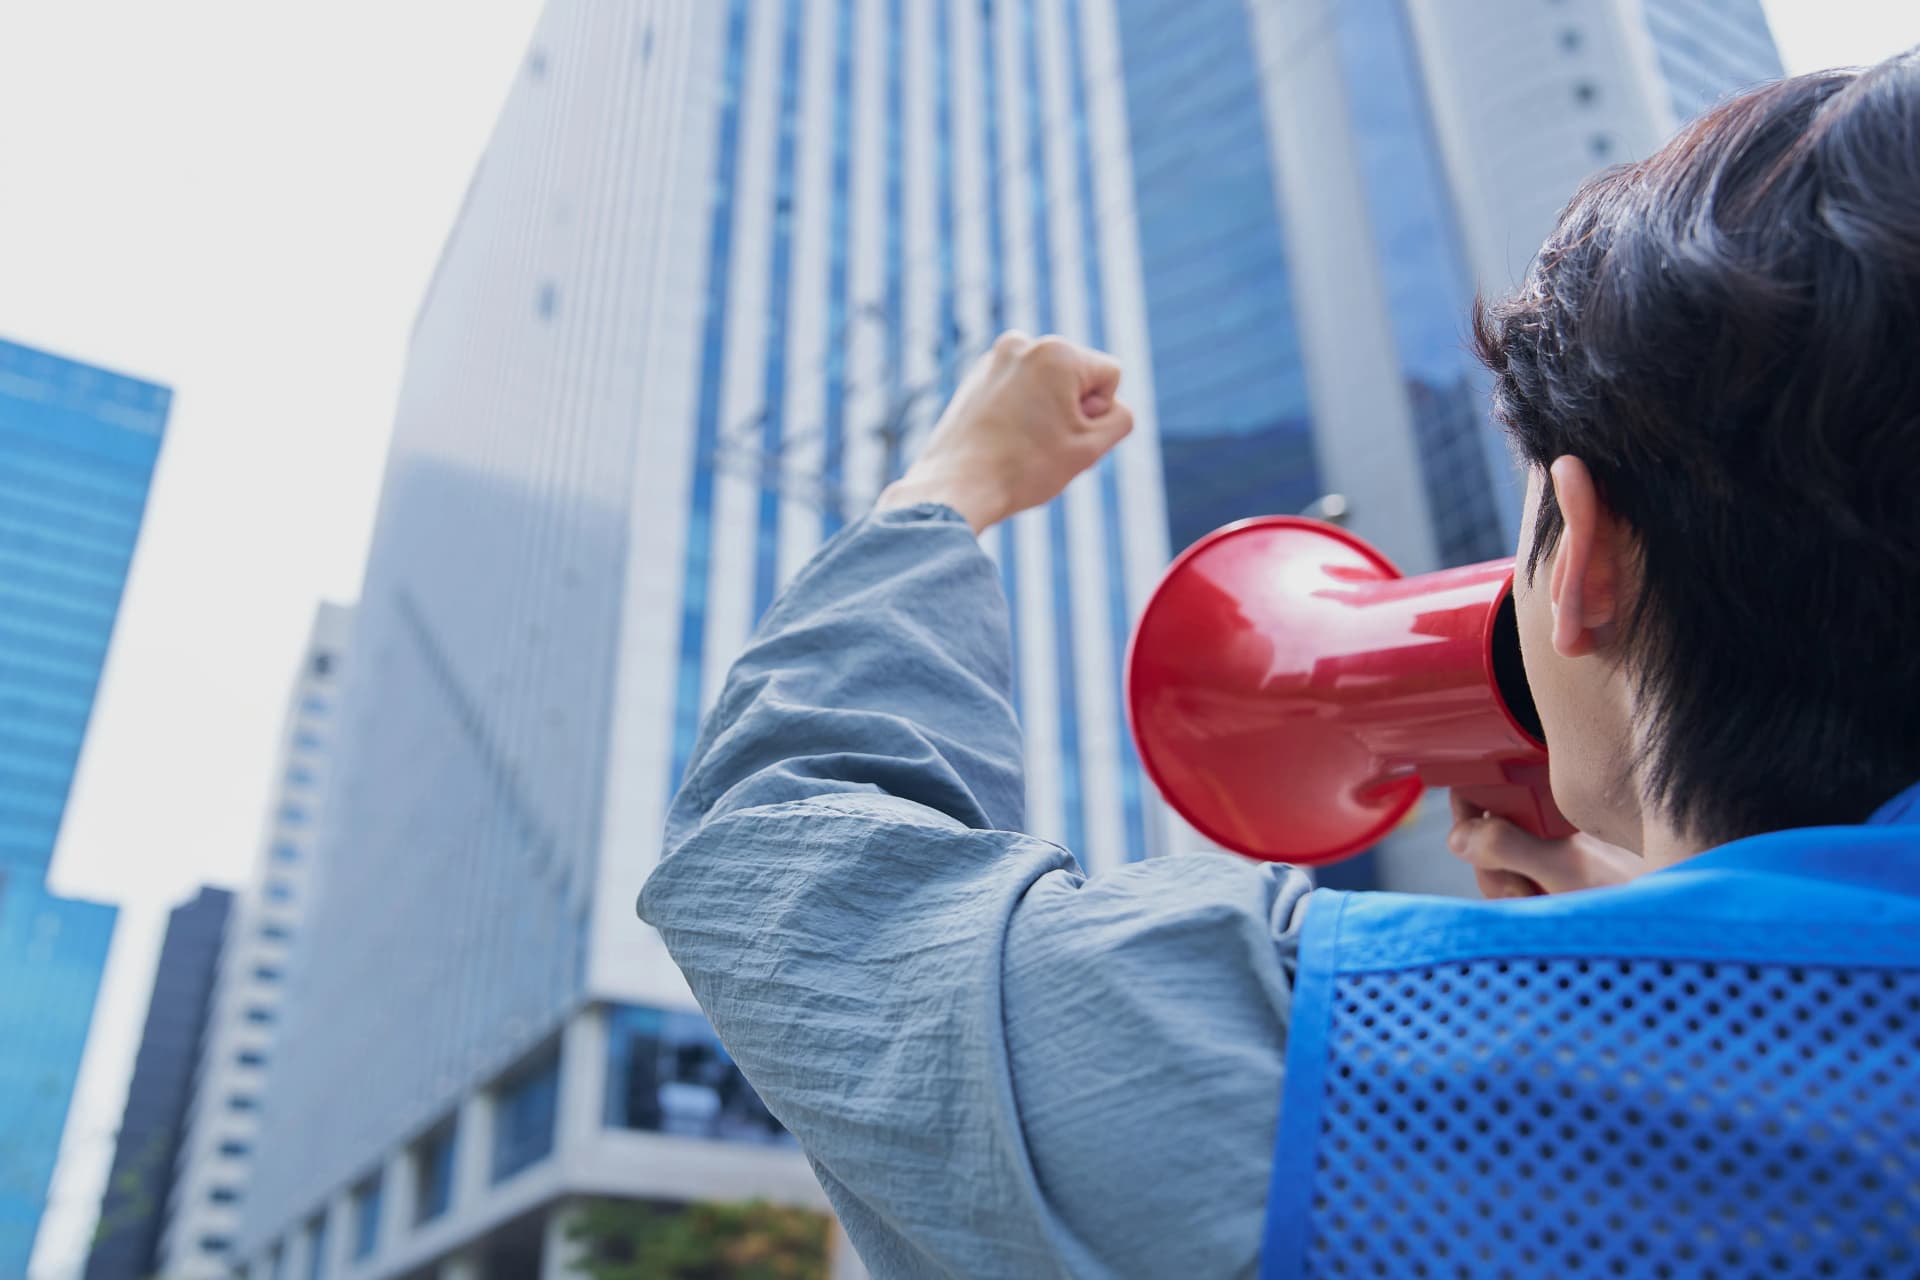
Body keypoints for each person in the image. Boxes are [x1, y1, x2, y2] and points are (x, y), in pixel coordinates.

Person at [640, 53, 1920, 1279]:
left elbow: (775, 859)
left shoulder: (1350, 1072)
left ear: (1583, 557)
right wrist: (1660, 924)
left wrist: (951, 483)